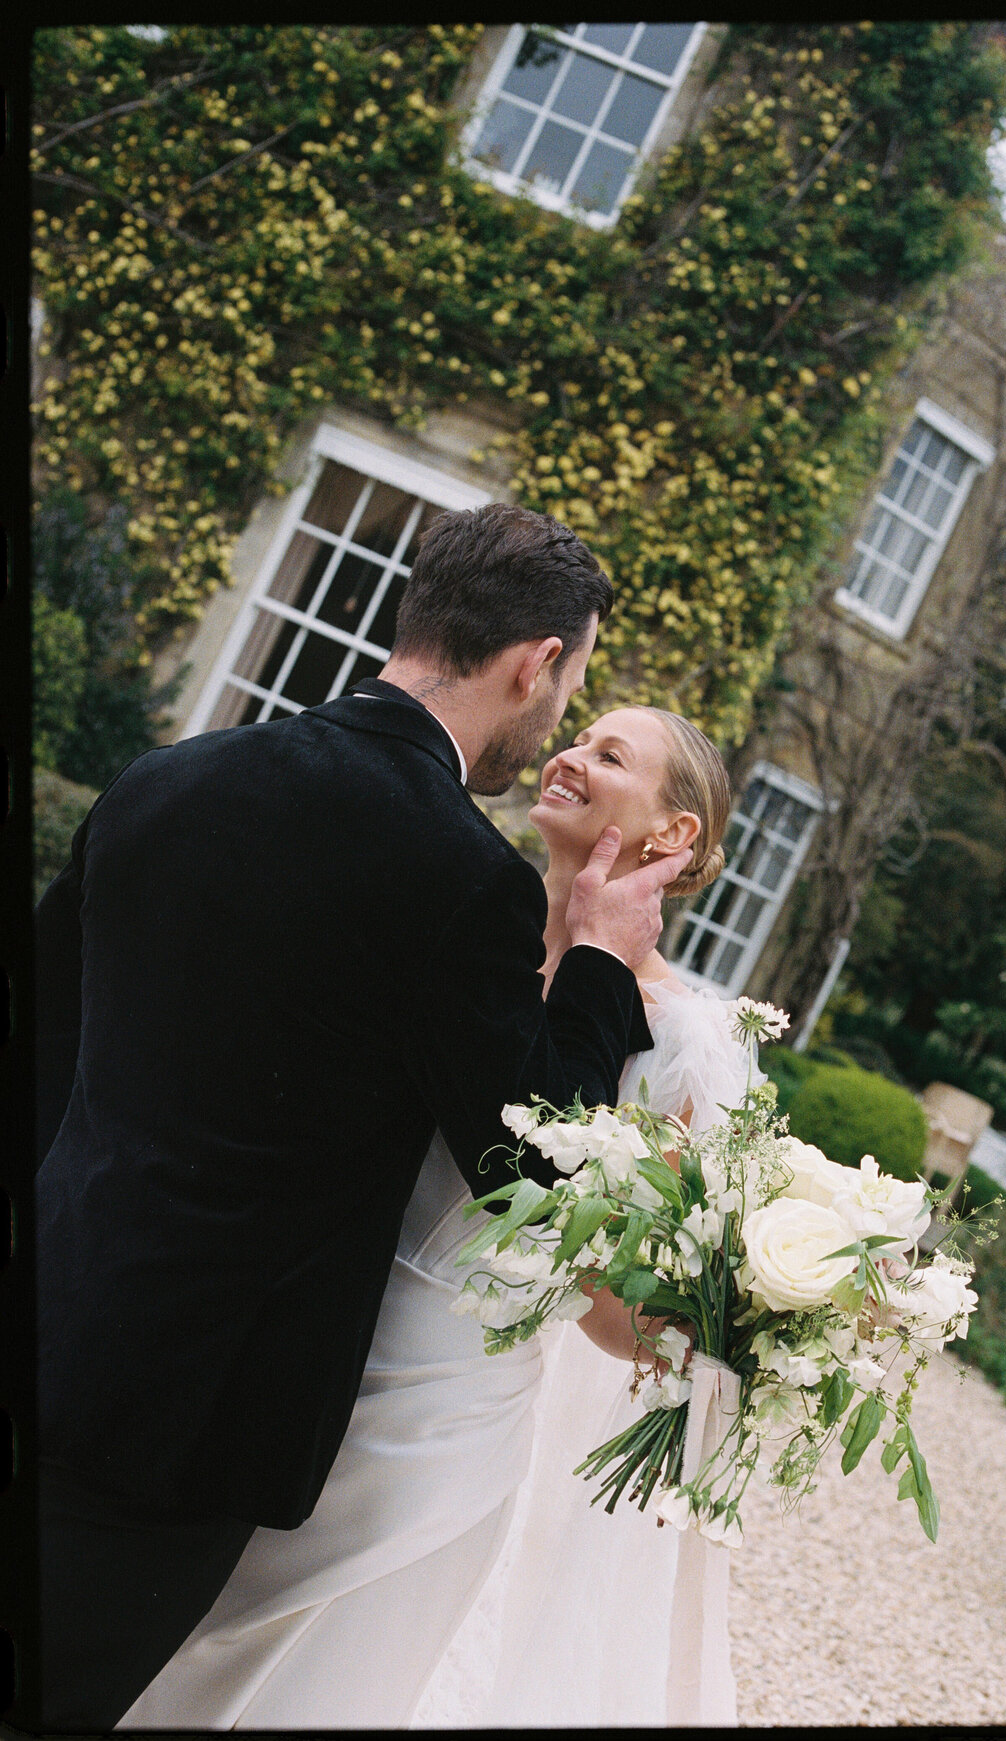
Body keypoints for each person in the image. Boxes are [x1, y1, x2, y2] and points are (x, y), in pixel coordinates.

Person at [31, 502, 691, 1732]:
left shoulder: (163, 781)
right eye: (576, 685)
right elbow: (534, 1169)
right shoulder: (460, 877)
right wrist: (599, 964)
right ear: (535, 663)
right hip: (186, 1420)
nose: (560, 721)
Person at [120, 705, 751, 1729]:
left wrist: (719, 1303)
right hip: (295, 1353)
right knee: (172, 1655)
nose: (571, 755)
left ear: (674, 836)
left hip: (444, 1410)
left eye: (609, 755)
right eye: (577, 735)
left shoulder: (684, 1044)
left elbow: (618, 1317)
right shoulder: (472, 922)